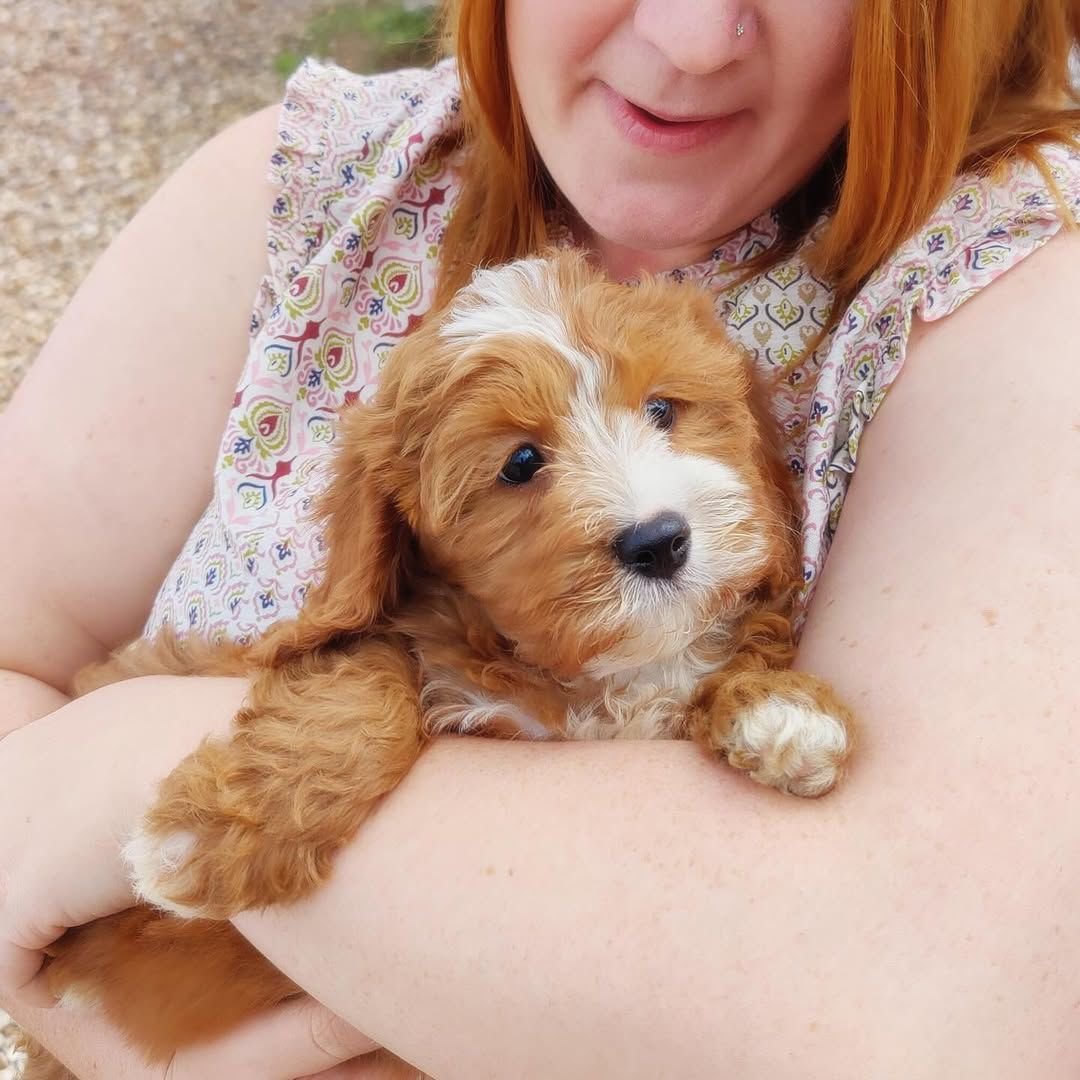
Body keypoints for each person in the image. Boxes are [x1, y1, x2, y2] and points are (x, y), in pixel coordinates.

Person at [2, 0, 1080, 1075]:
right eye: (520, 468)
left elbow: (917, 1015)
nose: (692, 37)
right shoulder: (308, 185)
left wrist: (126, 764)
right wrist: (72, 994)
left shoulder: (1018, 273)